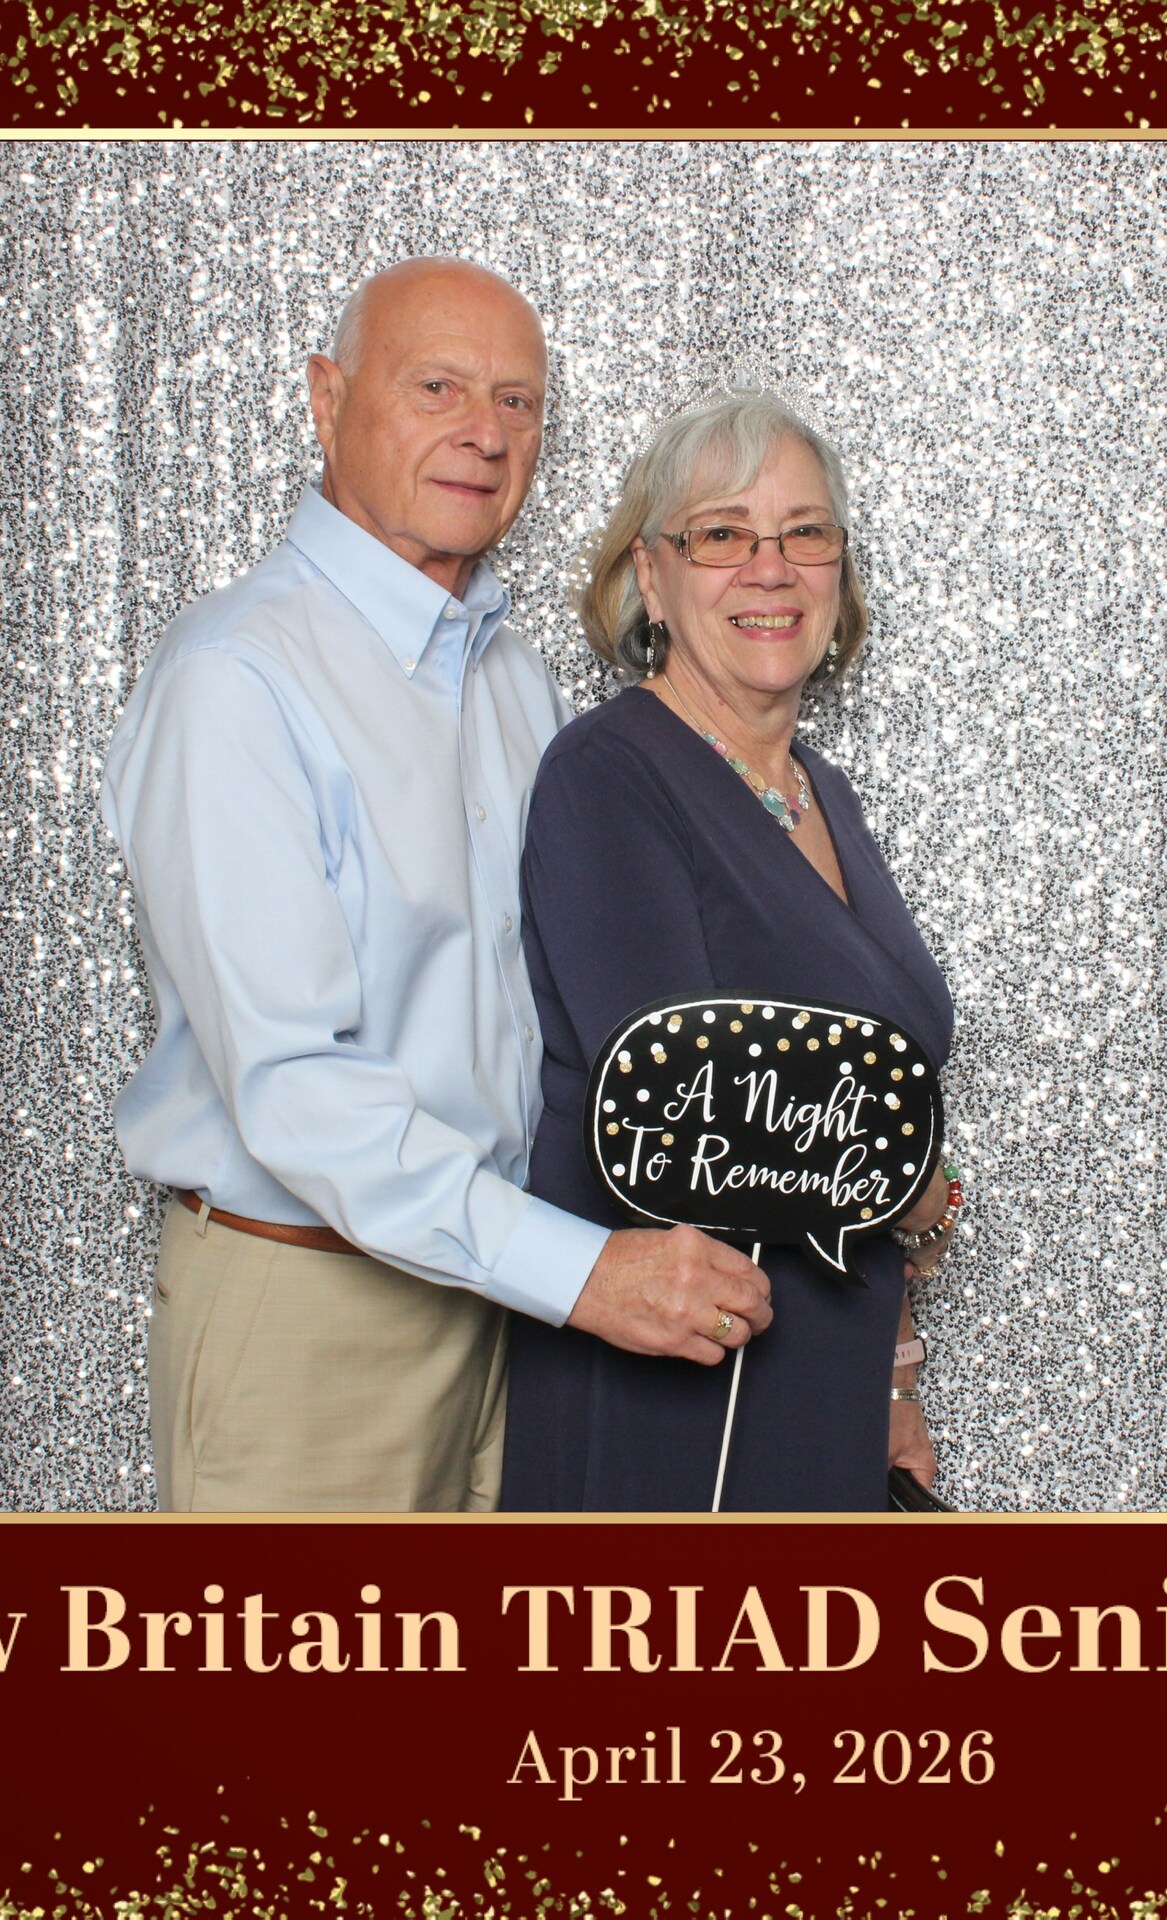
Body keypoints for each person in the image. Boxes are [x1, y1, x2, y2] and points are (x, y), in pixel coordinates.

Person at [99, 260, 773, 1514]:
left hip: (505, 1301)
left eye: (519, 403)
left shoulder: (515, 681)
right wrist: (579, 1272)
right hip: (314, 1312)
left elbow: (579, 1004)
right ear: (327, 400)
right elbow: (294, 1081)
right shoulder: (236, 678)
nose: (486, 433)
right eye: (438, 389)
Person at [505, 388, 961, 1512]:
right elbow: (682, 1104)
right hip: (678, 1381)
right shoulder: (608, 776)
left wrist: (895, 1378)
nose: (771, 569)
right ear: (651, 577)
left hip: (827, 1370)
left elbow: (870, 1080)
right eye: (721, 535)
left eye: (805, 533)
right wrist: (910, 1182)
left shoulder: (821, 795)